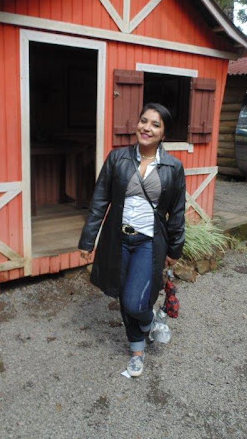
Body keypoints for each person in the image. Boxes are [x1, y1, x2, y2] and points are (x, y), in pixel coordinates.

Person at [78, 103, 186, 377]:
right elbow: (100, 200)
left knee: (135, 302)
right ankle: (137, 350)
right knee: (122, 295)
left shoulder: (173, 167)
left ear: (163, 134)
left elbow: (177, 213)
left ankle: (151, 323)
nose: (146, 128)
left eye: (155, 124)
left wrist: (175, 248)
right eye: (144, 121)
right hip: (118, 240)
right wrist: (88, 240)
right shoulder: (118, 159)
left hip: (148, 243)